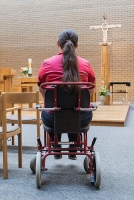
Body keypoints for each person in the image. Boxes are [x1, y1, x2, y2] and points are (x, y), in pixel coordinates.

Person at [37, 29, 96, 160]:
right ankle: (74, 147)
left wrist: (51, 102)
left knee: (50, 109)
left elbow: (42, 88)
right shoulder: (86, 64)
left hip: (52, 118)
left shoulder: (47, 63)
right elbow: (90, 90)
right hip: (81, 119)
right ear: (76, 45)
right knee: (77, 111)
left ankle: (55, 147)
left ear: (58, 43)